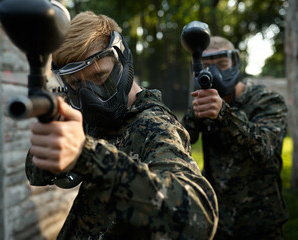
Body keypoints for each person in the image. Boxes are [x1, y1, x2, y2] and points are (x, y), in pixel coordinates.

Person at [25, 11, 219, 240]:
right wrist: (54, 133)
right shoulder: (89, 121)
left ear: (123, 62)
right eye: (76, 83)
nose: (90, 97)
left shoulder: (155, 127)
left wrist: (85, 154)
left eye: (100, 77)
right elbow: (35, 174)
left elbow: (199, 219)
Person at [182, 36, 288, 239]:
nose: (214, 72)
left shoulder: (267, 100)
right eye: (206, 65)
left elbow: (265, 147)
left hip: (260, 220)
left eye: (222, 64)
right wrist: (195, 114)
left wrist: (224, 114)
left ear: (235, 64)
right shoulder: (206, 99)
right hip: (218, 218)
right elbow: (184, 139)